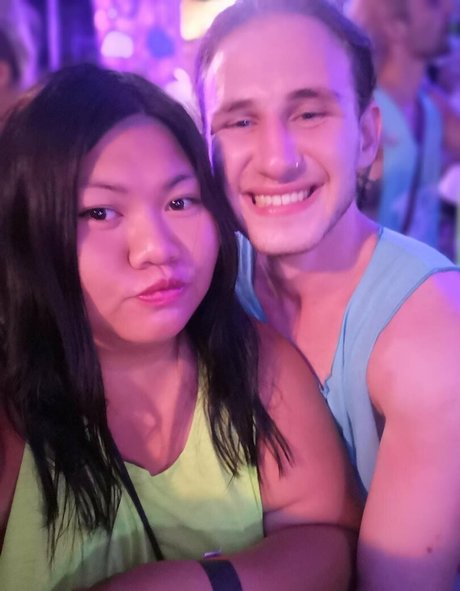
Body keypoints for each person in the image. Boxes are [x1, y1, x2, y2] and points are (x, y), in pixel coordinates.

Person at [0, 63, 360, 591]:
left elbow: (328, 538)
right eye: (100, 213)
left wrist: (195, 583)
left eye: (180, 201)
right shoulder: (12, 414)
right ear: (28, 228)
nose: (157, 249)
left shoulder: (256, 364)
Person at [195, 0, 460, 589]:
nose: (278, 160)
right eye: (240, 121)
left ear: (367, 138)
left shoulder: (434, 330)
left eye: (310, 113)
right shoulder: (200, 281)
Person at [347, 0, 460, 252]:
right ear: (394, 25)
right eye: (432, 4)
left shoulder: (429, 108)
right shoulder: (362, 118)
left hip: (423, 271)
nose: (449, 9)